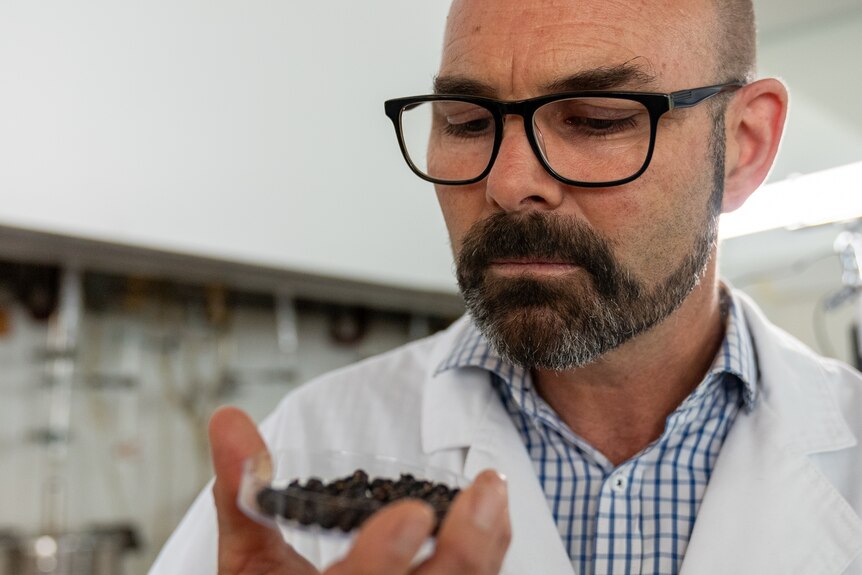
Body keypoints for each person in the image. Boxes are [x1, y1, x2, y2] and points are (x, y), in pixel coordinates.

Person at [151, 0, 862, 573]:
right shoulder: (311, 441)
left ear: (743, 145)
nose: (509, 182)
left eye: (595, 120)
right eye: (466, 122)